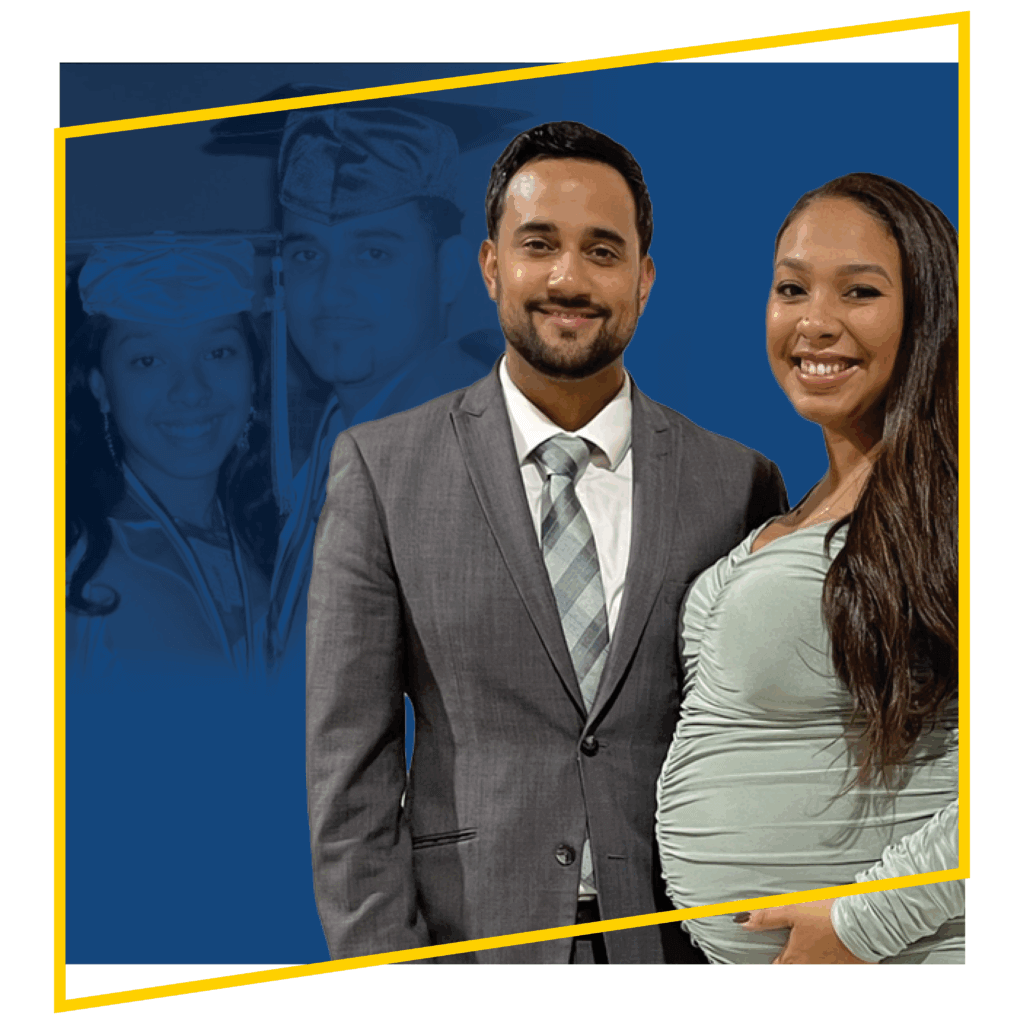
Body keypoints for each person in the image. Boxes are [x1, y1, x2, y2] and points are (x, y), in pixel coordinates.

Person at [305, 121, 788, 964]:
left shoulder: (738, 482)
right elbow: (350, 768)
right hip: (473, 948)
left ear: (643, 279)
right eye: (540, 245)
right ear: (491, 266)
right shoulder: (380, 470)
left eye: (603, 251)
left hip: (681, 946)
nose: (569, 277)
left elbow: (759, 740)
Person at [656, 172, 962, 964]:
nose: (815, 323)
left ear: (926, 315)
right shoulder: (789, 506)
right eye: (792, 288)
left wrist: (864, 922)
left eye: (859, 292)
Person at [265, 106, 500, 670]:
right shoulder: (339, 432)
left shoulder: (474, 464)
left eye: (373, 254)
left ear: (448, 271)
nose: (331, 291)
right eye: (306, 254)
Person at [66, 237, 274, 682]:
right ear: (101, 388)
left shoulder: (276, 535)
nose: (192, 390)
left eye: (218, 353)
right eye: (147, 361)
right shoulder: (76, 569)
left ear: (253, 375)